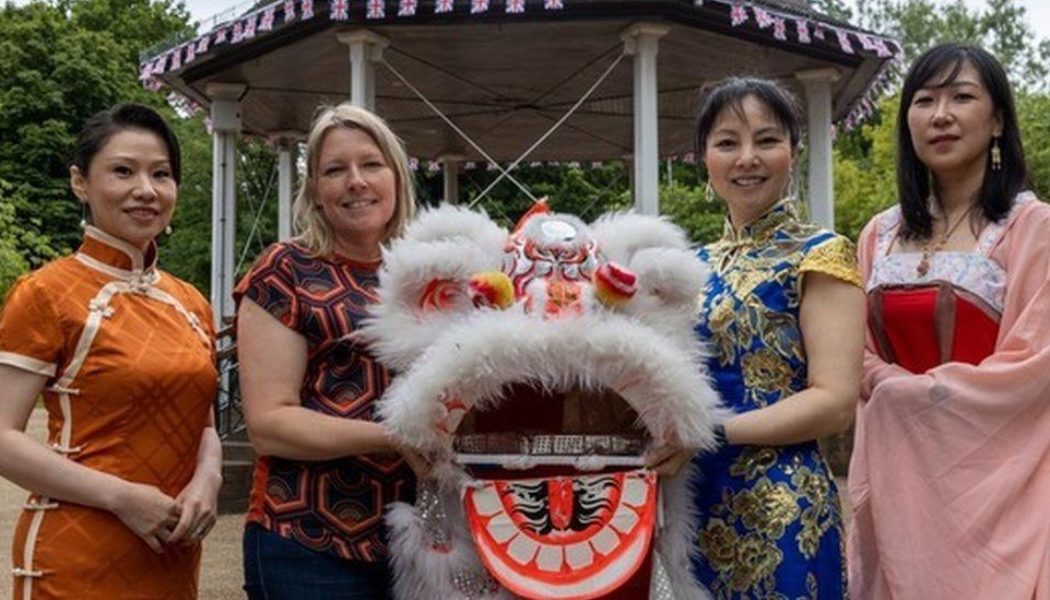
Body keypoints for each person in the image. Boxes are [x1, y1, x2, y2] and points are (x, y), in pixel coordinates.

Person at [848, 43, 1050, 598]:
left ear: (998, 121)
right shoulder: (878, 234)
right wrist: (883, 383)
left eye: (961, 97)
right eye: (924, 100)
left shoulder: (1032, 229)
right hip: (901, 484)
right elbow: (854, 347)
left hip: (1000, 485)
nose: (940, 114)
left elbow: (1034, 364)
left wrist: (914, 395)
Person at [0, 103, 221, 599]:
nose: (146, 189)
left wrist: (208, 479)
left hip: (175, 549)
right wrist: (121, 497)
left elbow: (204, 424)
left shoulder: (191, 302)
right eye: (123, 171)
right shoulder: (44, 294)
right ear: (81, 182)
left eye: (161, 174)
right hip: (79, 555)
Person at [667, 77, 865, 597]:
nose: (747, 158)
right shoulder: (689, 266)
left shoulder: (821, 253)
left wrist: (714, 431)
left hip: (781, 508)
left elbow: (836, 400)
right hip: (689, 502)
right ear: (703, 158)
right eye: (728, 142)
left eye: (767, 140)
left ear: (793, 153)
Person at [236, 103, 422, 599]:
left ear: (397, 177)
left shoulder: (429, 273)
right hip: (310, 542)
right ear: (315, 191)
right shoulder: (286, 269)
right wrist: (396, 437)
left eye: (371, 164)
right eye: (335, 170)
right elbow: (269, 424)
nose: (356, 181)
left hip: (424, 543)